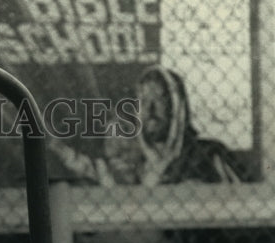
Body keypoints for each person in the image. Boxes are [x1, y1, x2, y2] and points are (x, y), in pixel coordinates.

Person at [102, 65, 245, 186]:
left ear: (176, 106)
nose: (150, 108)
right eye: (144, 101)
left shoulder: (209, 154)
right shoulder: (132, 164)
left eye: (159, 98)